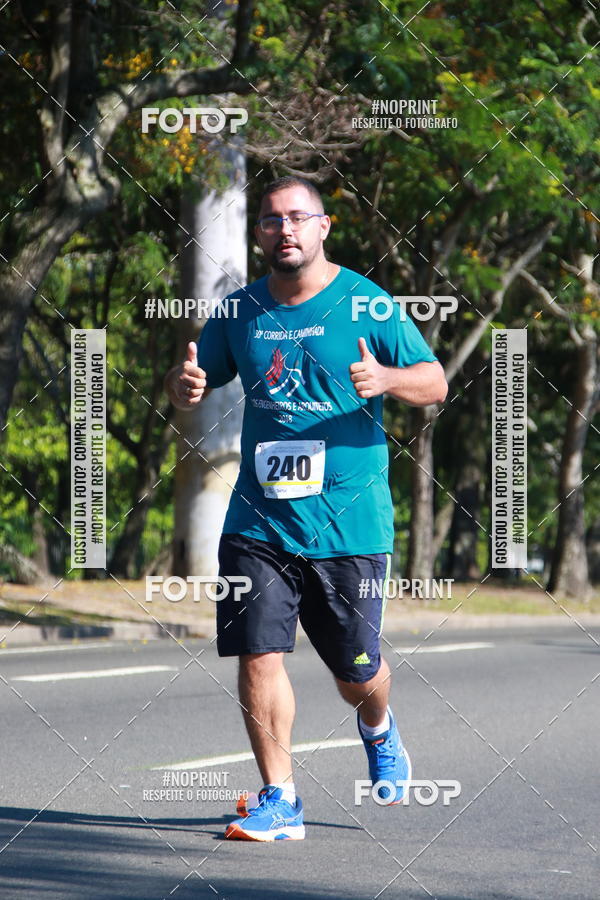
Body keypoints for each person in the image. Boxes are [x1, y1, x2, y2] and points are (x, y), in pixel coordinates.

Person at [164, 175, 448, 842]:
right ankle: (280, 799)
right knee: (259, 654)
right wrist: (185, 386)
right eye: (271, 220)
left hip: (349, 522)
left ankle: (377, 726)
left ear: (324, 227)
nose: (284, 229)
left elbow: (433, 379)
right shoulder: (239, 313)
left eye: (298, 217)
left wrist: (388, 380)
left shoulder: (368, 305)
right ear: (258, 233)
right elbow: (192, 385)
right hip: (259, 521)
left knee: (356, 673)